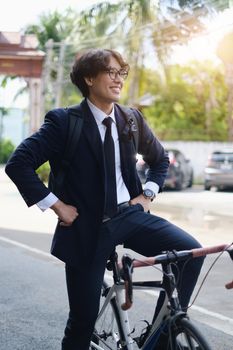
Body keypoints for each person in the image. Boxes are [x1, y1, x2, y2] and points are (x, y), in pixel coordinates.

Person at [5, 48, 204, 350]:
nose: (118, 79)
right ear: (89, 78)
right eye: (110, 72)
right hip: (87, 227)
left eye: (121, 72)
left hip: (130, 216)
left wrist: (148, 193)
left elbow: (160, 159)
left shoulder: (131, 119)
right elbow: (18, 163)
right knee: (82, 322)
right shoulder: (64, 122)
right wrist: (56, 205)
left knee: (190, 253)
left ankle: (160, 338)